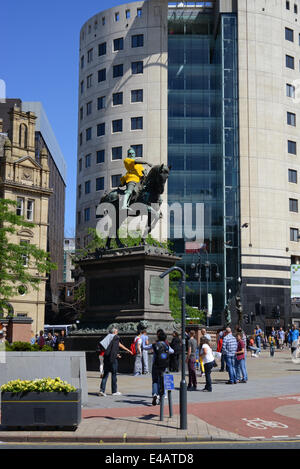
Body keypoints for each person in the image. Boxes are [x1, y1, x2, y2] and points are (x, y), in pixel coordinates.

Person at [143, 329, 174, 406]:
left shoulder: (154, 344)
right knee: (162, 381)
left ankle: (154, 394)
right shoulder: (166, 345)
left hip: (155, 365)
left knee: (155, 380)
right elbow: (172, 351)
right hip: (164, 366)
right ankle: (161, 397)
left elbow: (145, 347)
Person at [99, 328, 133, 397]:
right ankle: (114, 391)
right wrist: (115, 355)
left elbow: (106, 347)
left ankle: (102, 391)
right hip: (112, 359)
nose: (117, 333)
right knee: (114, 374)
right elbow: (114, 348)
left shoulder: (107, 337)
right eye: (117, 331)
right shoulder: (116, 337)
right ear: (114, 332)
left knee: (105, 375)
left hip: (106, 357)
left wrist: (127, 350)